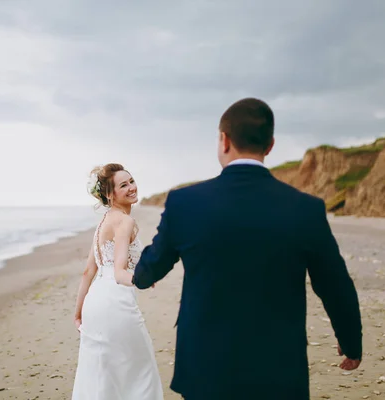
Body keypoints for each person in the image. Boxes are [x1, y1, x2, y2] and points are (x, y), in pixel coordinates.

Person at [132, 98, 363, 399]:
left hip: (205, 369)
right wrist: (350, 341)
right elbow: (335, 285)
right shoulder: (306, 209)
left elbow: (152, 265)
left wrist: (141, 276)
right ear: (270, 145)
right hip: (279, 370)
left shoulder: (185, 203)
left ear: (224, 140)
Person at [72, 163, 163, 400]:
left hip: (94, 303)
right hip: (116, 303)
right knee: (141, 371)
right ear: (110, 194)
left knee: (101, 374)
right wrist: (142, 278)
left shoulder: (103, 223)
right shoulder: (124, 222)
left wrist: (78, 311)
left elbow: (88, 272)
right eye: (124, 185)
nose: (132, 188)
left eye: (131, 181)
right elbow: (120, 272)